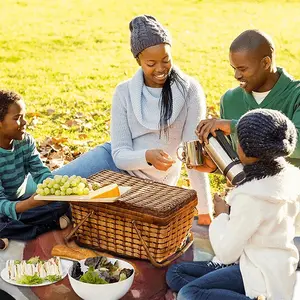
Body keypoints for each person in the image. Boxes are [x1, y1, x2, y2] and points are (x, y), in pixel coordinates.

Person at [49, 15, 212, 225]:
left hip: (148, 184)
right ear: (138, 61)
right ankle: (13, 215)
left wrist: (205, 209)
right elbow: (119, 155)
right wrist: (146, 156)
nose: (161, 69)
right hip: (112, 163)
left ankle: (61, 217)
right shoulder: (124, 92)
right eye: (151, 63)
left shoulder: (190, 91)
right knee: (49, 189)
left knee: (74, 209)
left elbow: (193, 156)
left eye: (166, 59)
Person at [166, 108, 300, 300]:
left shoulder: (251, 197)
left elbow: (226, 252)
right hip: (272, 267)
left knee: (188, 293)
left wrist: (222, 215)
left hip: (259, 276)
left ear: (244, 149)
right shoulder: (290, 178)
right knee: (175, 274)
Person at [195, 29, 300, 173]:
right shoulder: (231, 99)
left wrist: (235, 127)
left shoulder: (296, 95)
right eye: (234, 68)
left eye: (242, 69)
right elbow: (238, 161)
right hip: (249, 190)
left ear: (265, 63)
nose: (236, 75)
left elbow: (296, 144)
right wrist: (216, 167)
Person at [0, 90, 70, 244]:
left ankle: (14, 232)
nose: (25, 122)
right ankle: (45, 226)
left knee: (64, 204)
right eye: (17, 118)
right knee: (2, 222)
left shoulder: (25, 141)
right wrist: (29, 204)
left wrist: (54, 189)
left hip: (21, 201)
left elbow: (40, 172)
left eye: (24, 116)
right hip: (4, 208)